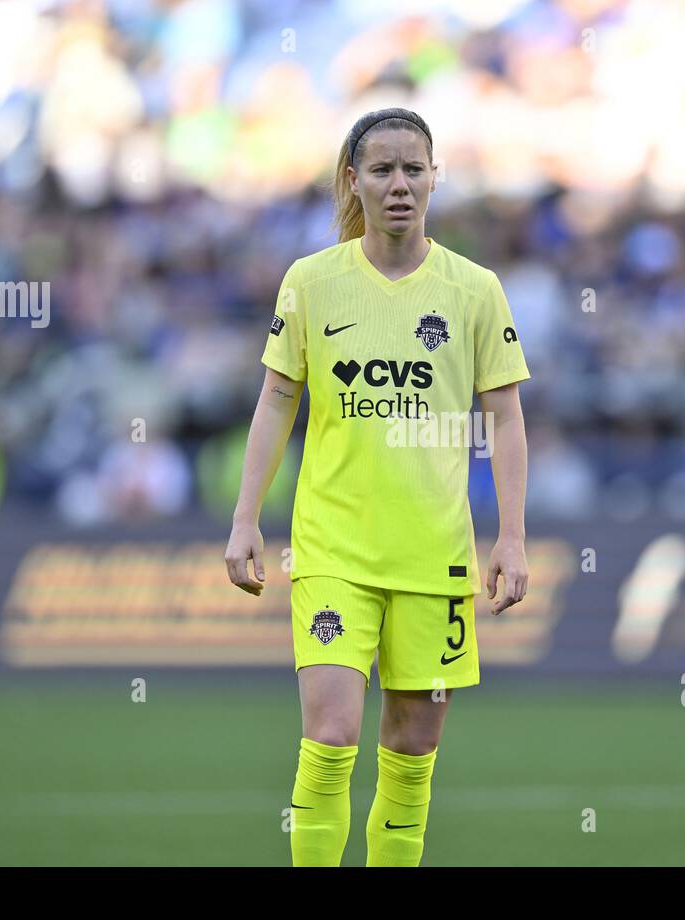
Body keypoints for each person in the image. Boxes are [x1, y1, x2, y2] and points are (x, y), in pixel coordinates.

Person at [224, 107, 531, 866]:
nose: (400, 185)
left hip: (435, 555)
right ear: (352, 181)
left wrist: (513, 535)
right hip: (334, 549)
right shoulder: (312, 282)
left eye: (413, 168)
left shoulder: (475, 290)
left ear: (435, 178)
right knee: (329, 735)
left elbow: (506, 416)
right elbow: (274, 401)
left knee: (412, 746)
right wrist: (244, 518)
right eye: (383, 169)